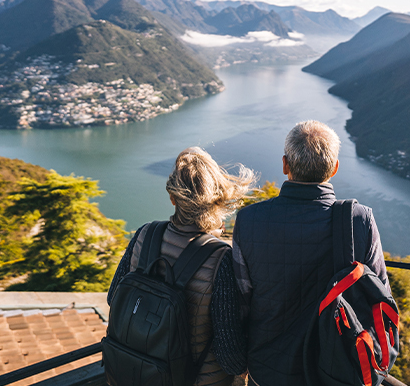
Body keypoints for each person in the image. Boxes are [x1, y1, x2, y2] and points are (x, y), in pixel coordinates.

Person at [232, 120, 389, 386]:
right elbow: (380, 298)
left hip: (268, 370)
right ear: (335, 168)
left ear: (285, 165)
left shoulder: (249, 220)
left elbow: (241, 302)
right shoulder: (359, 221)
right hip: (335, 371)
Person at [108, 147, 253, 386]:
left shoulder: (145, 234)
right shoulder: (221, 258)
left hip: (138, 374)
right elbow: (230, 358)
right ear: (216, 200)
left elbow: (115, 298)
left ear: (172, 198)